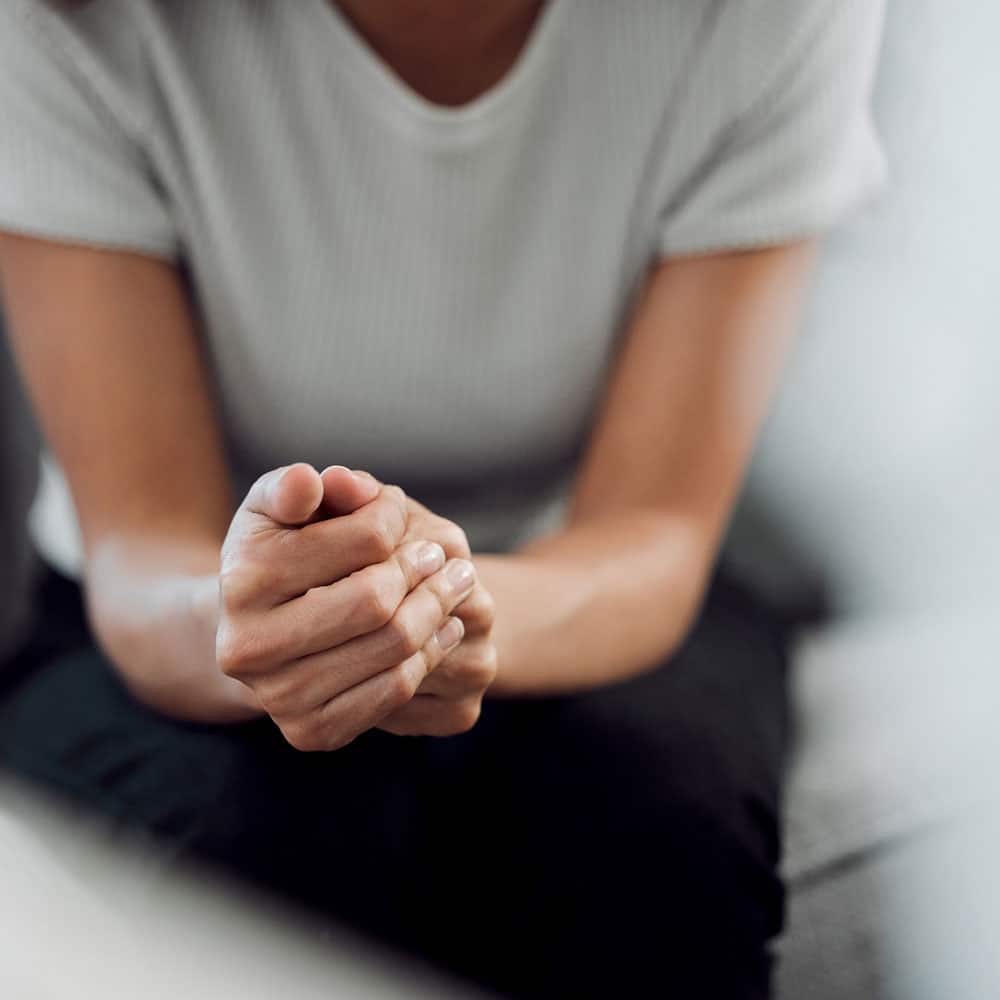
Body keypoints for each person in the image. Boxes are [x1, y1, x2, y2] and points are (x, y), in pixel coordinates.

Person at [0, 1, 885, 996]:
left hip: (579, 579)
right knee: (254, 854)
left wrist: (426, 602)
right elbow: (144, 542)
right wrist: (254, 623)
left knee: (662, 840)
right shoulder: (63, 25)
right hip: (173, 614)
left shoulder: (763, 18)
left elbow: (654, 525)